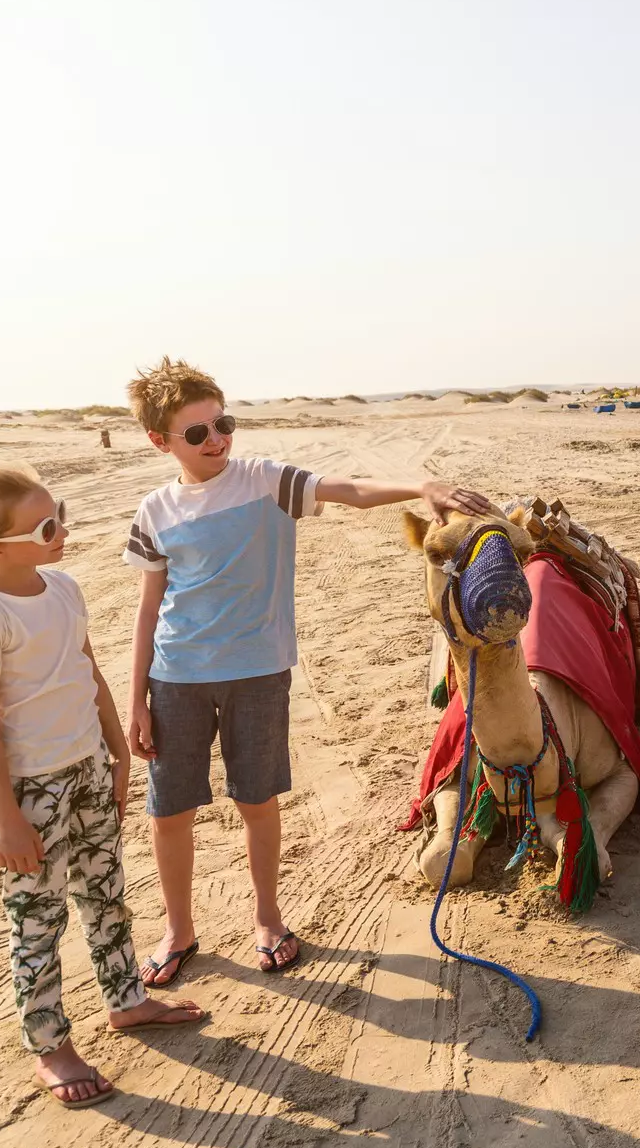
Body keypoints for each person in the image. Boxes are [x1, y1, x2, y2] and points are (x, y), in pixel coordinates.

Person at [122, 358, 492, 986]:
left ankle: (268, 918)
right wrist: (136, 699)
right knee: (169, 810)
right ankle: (178, 929)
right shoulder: (155, 511)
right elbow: (149, 608)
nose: (216, 440)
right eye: (196, 433)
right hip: (176, 676)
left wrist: (421, 487)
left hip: (259, 674)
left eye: (223, 424)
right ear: (160, 441)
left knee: (257, 800)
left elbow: (347, 489)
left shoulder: (265, 480)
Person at [0, 465, 205, 1109]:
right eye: (47, 525)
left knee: (107, 894)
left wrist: (116, 754)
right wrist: (8, 819)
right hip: (30, 791)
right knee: (38, 919)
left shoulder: (62, 588)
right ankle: (50, 1044)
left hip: (88, 768)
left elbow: (88, 673)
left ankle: (126, 1000)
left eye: (59, 513)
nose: (63, 532)